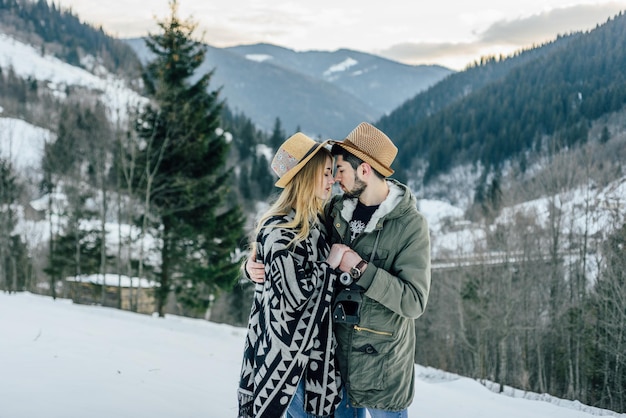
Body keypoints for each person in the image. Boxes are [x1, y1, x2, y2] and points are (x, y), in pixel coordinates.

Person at [246, 122, 431, 418]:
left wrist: (359, 268)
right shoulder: (335, 211)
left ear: (365, 170)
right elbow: (291, 243)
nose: (334, 179)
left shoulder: (409, 225)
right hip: (333, 367)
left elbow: (413, 302)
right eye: (330, 172)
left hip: (380, 366)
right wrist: (253, 265)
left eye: (340, 170)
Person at [237, 132, 346, 418]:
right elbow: (293, 299)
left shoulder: (318, 221)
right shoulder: (279, 230)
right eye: (325, 173)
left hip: (317, 364)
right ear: (307, 175)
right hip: (291, 370)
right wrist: (330, 267)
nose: (331, 179)